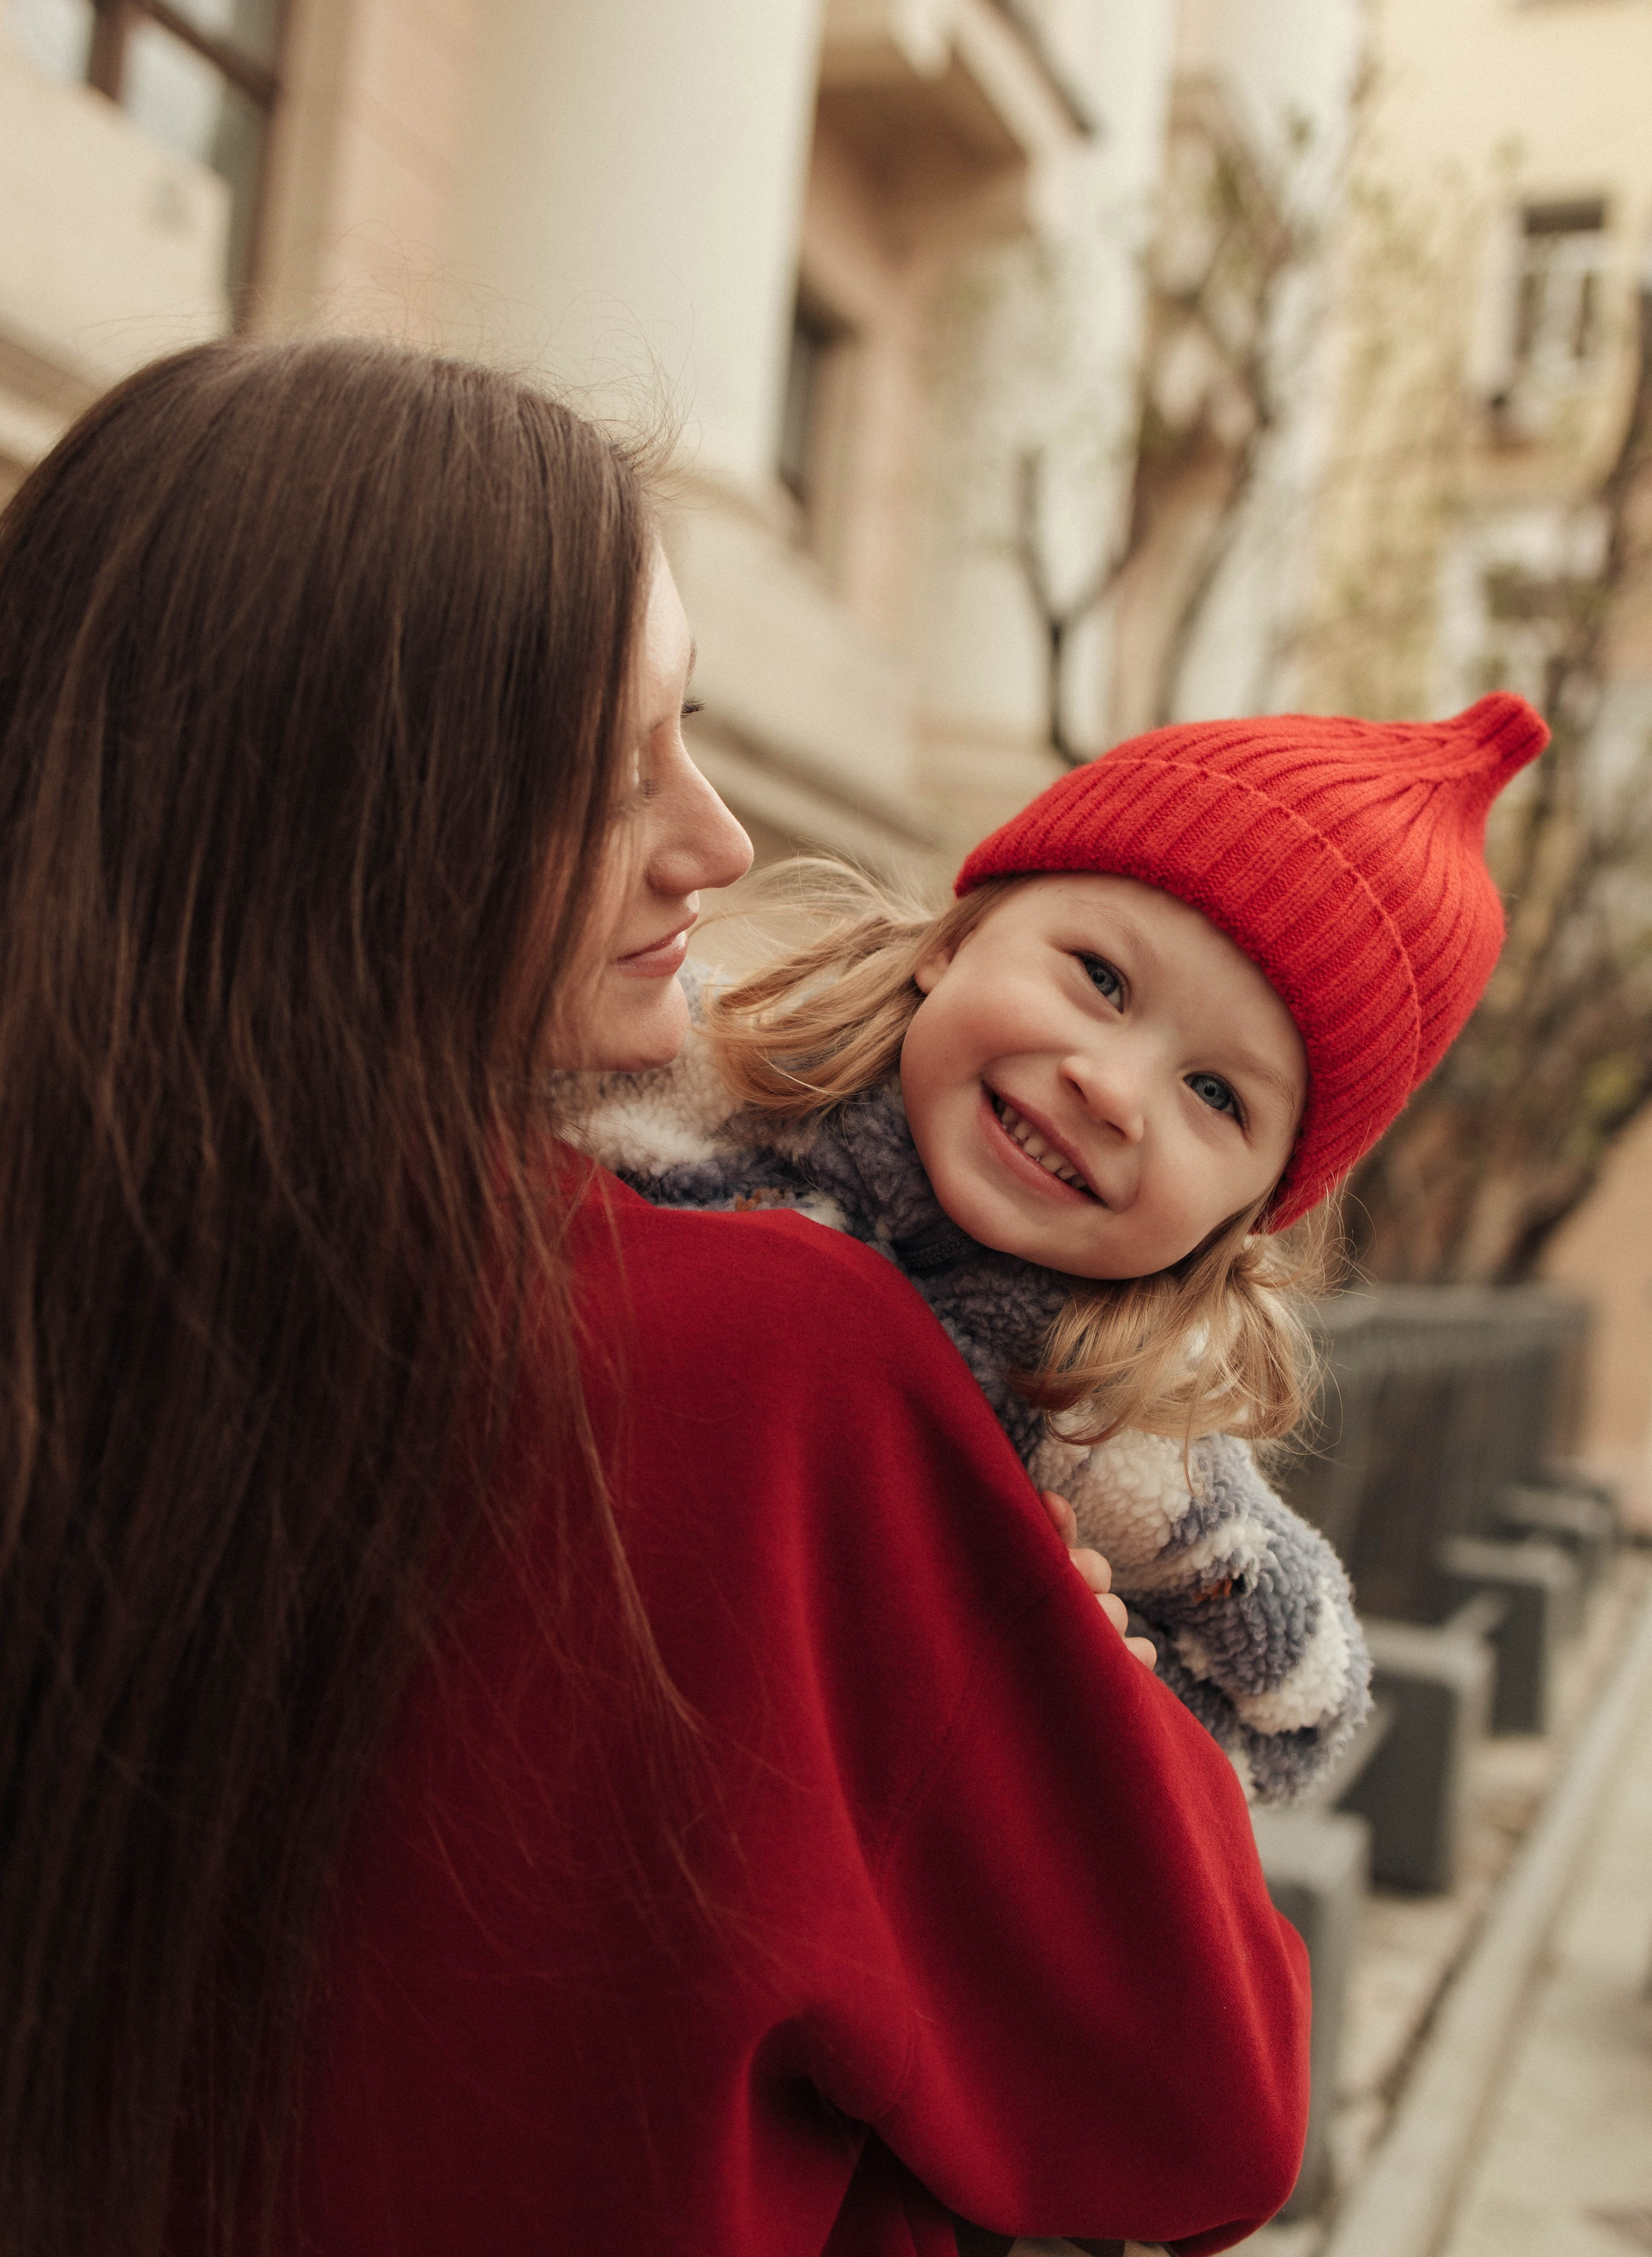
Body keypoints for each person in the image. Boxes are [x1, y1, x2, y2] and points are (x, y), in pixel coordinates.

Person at [0, 336, 1310, 2257]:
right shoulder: (773, 1370)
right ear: (349, 812)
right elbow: (1207, 2113)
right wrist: (1095, 1658)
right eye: (618, 771)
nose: (719, 842)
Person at [565, 695, 1547, 1800]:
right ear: (958, 938)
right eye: (1103, 979)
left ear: (1251, 1210)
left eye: (1216, 1094)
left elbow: (1302, 1710)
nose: (1113, 1089)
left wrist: (1105, 1682)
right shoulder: (687, 1073)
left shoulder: (1111, 1427)